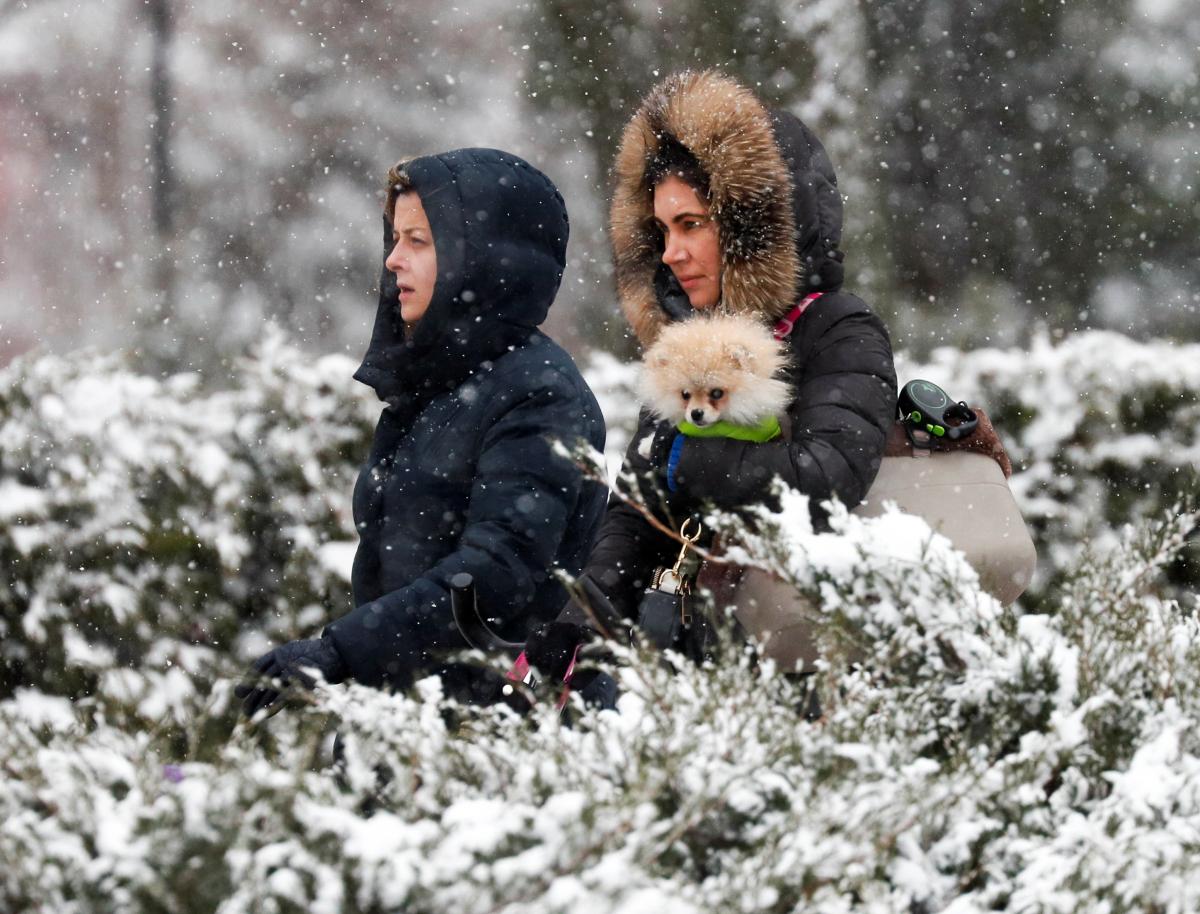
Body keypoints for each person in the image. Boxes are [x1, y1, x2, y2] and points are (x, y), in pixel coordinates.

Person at [524, 70, 898, 680]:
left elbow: (830, 480)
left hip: (817, 671)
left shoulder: (838, 328)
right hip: (703, 674)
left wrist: (693, 460)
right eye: (662, 230)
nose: (671, 252)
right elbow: (637, 516)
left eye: (691, 224)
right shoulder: (691, 344)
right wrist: (577, 628)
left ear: (754, 226)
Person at [237, 148, 607, 716]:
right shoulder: (440, 380)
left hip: (496, 729)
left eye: (418, 241)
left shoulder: (540, 395)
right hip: (414, 713)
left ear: (483, 259)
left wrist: (341, 651)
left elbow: (493, 575)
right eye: (395, 238)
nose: (393, 259)